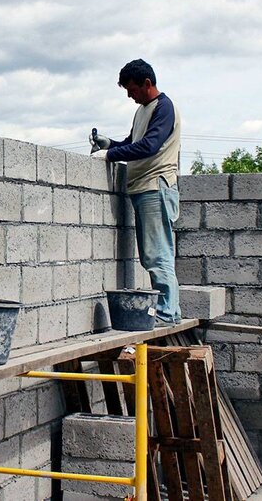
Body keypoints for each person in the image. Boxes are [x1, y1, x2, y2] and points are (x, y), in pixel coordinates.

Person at [90, 59, 182, 326]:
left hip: (156, 187)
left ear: (147, 84)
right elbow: (134, 143)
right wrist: (112, 144)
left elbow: (150, 146)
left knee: (158, 254)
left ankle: (165, 313)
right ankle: (169, 312)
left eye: (132, 90)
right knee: (151, 254)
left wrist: (110, 155)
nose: (130, 96)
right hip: (143, 188)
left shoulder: (164, 108)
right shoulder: (143, 110)